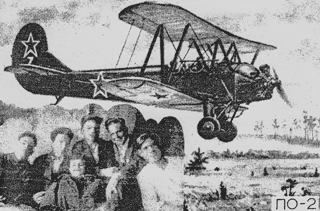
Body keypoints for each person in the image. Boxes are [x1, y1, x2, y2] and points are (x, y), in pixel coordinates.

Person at [40, 155, 107, 211]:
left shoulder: (95, 182)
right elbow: (47, 203)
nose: (77, 168)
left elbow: (104, 202)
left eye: (80, 165)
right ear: (69, 168)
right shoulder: (60, 182)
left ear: (85, 167)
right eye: (74, 165)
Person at [136, 133, 184, 211]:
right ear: (141, 154)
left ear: (159, 146)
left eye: (153, 145)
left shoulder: (178, 162)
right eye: (145, 148)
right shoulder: (144, 176)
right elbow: (150, 206)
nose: (151, 150)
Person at [105, 117, 144, 211]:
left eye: (119, 132)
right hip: (115, 186)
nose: (116, 136)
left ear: (125, 129)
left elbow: (136, 165)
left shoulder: (137, 143)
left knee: (119, 187)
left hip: (134, 185)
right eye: (112, 134)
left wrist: (117, 176)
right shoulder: (109, 147)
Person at [32, 127, 75, 205]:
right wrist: (34, 196)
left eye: (67, 143)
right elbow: (32, 182)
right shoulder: (40, 160)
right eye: (61, 142)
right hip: (41, 199)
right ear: (53, 143)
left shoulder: (72, 163)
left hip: (62, 201)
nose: (64, 146)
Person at [0, 132, 41, 207]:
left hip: (18, 205)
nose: (26, 147)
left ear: (32, 151)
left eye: (30, 146)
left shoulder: (30, 169)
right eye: (23, 143)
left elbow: (27, 192)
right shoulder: (3, 159)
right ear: (17, 144)